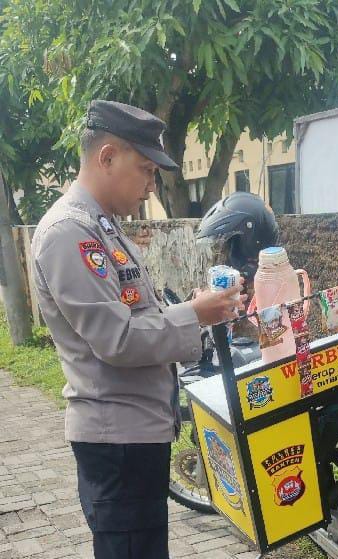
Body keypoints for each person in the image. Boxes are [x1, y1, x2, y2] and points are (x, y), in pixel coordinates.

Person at [31, 100, 246, 559]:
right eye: (146, 170)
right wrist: (194, 314)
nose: (151, 186)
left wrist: (190, 309)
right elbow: (118, 339)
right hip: (118, 438)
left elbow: (136, 314)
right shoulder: (70, 232)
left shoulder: (102, 227)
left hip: (136, 431)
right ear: (107, 157)